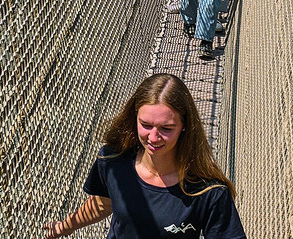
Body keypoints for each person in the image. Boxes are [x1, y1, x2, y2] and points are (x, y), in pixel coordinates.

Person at [44, 74, 245, 239]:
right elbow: (104, 203)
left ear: (184, 126)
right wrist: (65, 227)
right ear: (134, 119)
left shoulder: (208, 191)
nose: (153, 137)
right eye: (146, 125)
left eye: (166, 128)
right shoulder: (112, 161)